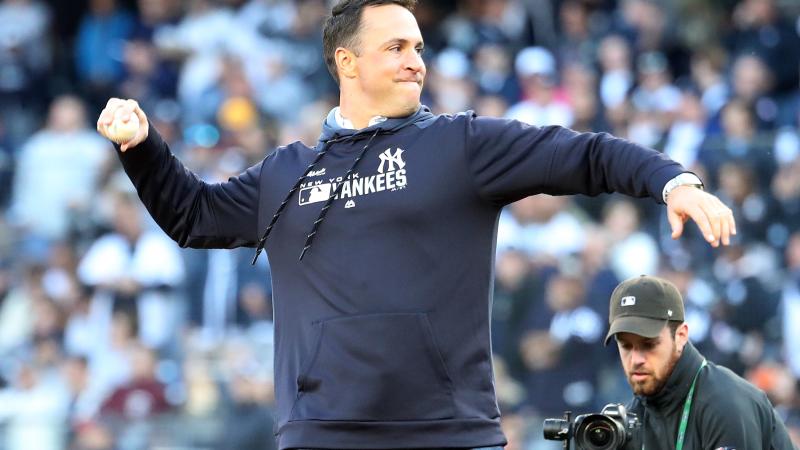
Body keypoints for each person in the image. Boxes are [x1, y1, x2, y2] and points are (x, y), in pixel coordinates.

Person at [96, 1, 738, 448]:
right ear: (346, 63)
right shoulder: (286, 171)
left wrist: (672, 181)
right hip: (322, 432)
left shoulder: (460, 145)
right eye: (396, 47)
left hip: (448, 430)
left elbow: (583, 153)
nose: (415, 61)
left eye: (419, 48)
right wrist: (144, 147)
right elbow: (192, 216)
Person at [604, 275, 796, 450]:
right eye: (626, 346)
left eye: (649, 345)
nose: (636, 359)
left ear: (681, 336)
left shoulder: (724, 403)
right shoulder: (634, 416)